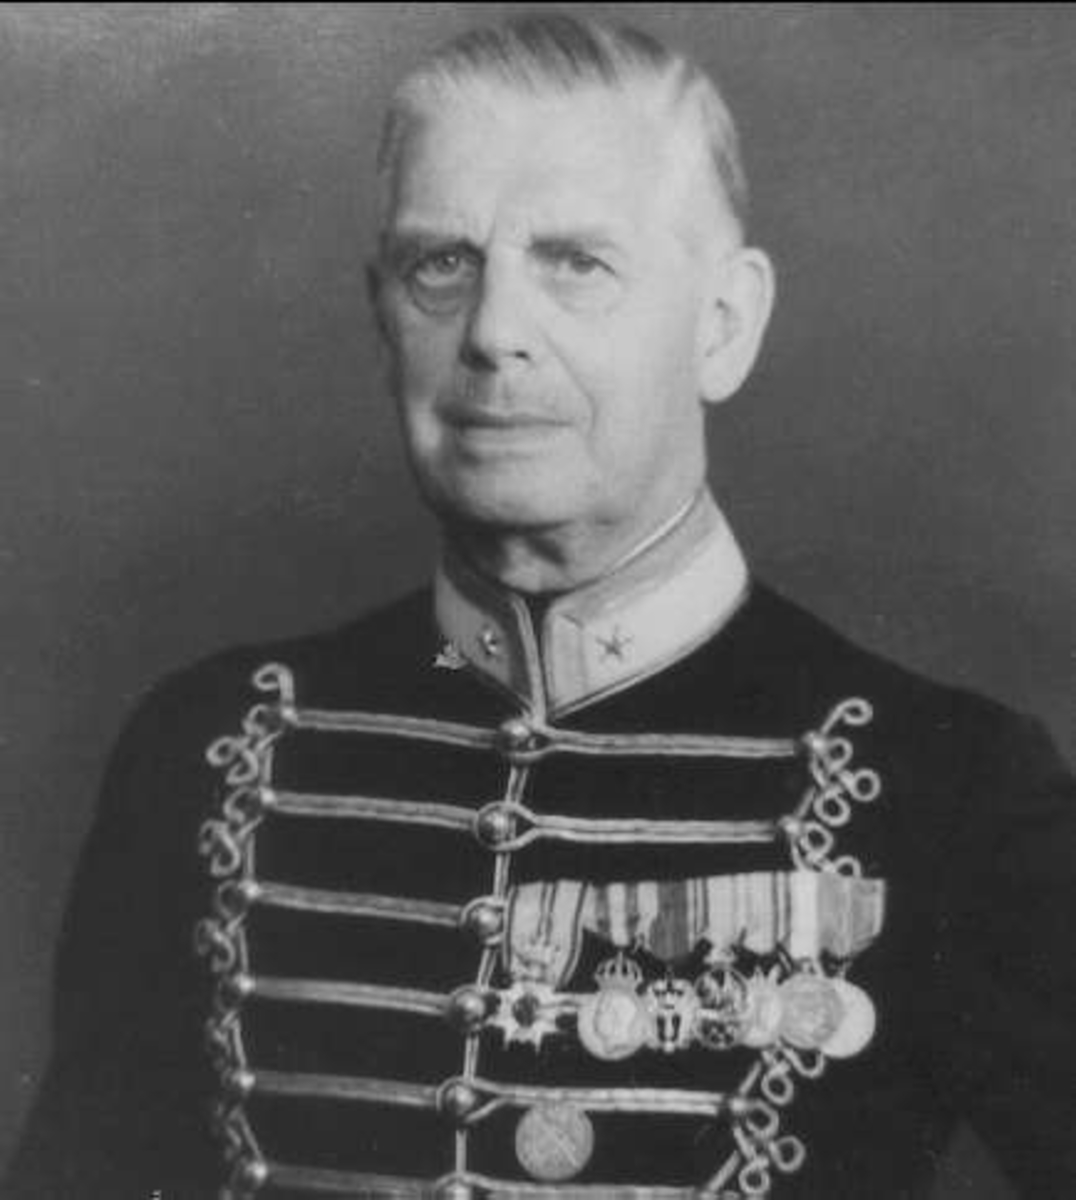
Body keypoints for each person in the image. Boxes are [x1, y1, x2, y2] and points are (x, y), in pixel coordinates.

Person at [6, 14, 1075, 1200]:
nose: (493, 334)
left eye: (576, 263)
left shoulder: (952, 787)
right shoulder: (207, 747)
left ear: (722, 326)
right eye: (441, 265)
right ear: (382, 318)